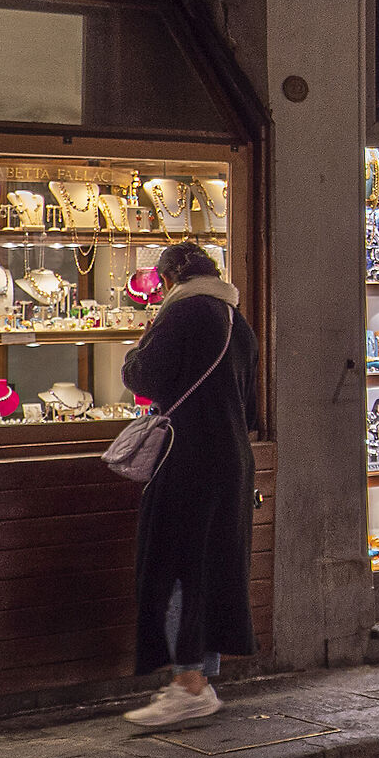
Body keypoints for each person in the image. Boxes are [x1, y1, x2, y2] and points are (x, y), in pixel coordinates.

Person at [119, 243, 260, 728]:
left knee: (178, 565)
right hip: (232, 459)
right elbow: (251, 407)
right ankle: (201, 677)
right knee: (211, 567)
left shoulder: (181, 314)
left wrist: (137, 349)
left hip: (190, 459)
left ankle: (188, 683)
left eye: (159, 283)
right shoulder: (235, 321)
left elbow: (146, 378)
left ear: (172, 277)